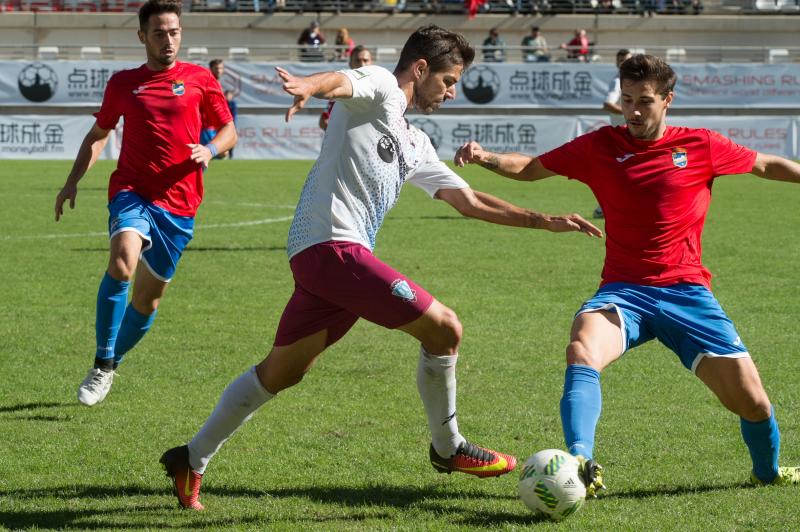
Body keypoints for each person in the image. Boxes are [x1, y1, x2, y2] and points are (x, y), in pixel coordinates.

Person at [160, 24, 602, 511]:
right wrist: (310, 86)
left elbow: (471, 202)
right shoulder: (382, 87)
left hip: (329, 264)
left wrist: (546, 221)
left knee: (280, 373)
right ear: (420, 69)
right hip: (333, 250)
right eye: (448, 80)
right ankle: (448, 448)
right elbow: (343, 80)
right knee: (445, 329)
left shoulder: (414, 142)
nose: (452, 92)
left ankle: (191, 457)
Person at [454, 53, 800, 497]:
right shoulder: (600, 146)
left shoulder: (700, 145)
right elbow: (532, 168)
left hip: (687, 292)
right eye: (627, 99)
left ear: (668, 100)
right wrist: (486, 157)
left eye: (646, 101)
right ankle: (580, 461)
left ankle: (767, 472)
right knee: (582, 348)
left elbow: (766, 164)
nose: (634, 111)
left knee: (753, 403)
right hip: (624, 292)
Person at [54, 0, 237, 407]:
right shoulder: (123, 84)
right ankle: (101, 363)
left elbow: (228, 130)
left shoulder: (200, 79)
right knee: (122, 260)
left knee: (146, 301)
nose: (168, 40)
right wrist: (72, 182)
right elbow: (99, 133)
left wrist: (210, 149)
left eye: (173, 32)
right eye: (159, 33)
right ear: (142, 37)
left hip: (181, 203)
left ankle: (111, 361)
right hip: (132, 191)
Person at [593, 48, 632, 219]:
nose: (623, 63)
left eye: (627, 60)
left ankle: (608, 207)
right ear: (617, 63)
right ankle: (605, 207)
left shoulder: (631, 81)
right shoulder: (617, 82)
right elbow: (607, 104)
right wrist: (630, 114)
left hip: (630, 132)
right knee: (620, 171)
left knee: (625, 171)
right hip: (622, 134)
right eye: (621, 60)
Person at [319, 45, 372, 131]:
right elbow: (324, 122)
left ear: (371, 63)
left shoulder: (382, 87)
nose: (362, 64)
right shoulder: (340, 90)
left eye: (365, 60)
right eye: (357, 61)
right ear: (350, 64)